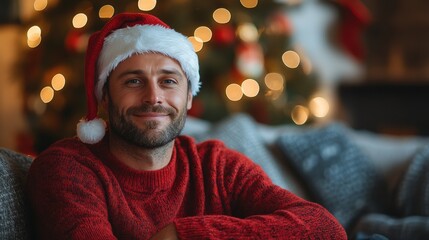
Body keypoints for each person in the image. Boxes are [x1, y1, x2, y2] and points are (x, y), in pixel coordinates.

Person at [26, 12, 347, 239]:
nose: (153, 97)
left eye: (168, 81)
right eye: (133, 81)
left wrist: (183, 234)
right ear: (105, 98)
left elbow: (323, 229)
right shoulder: (67, 169)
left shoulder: (218, 166)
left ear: (189, 98)